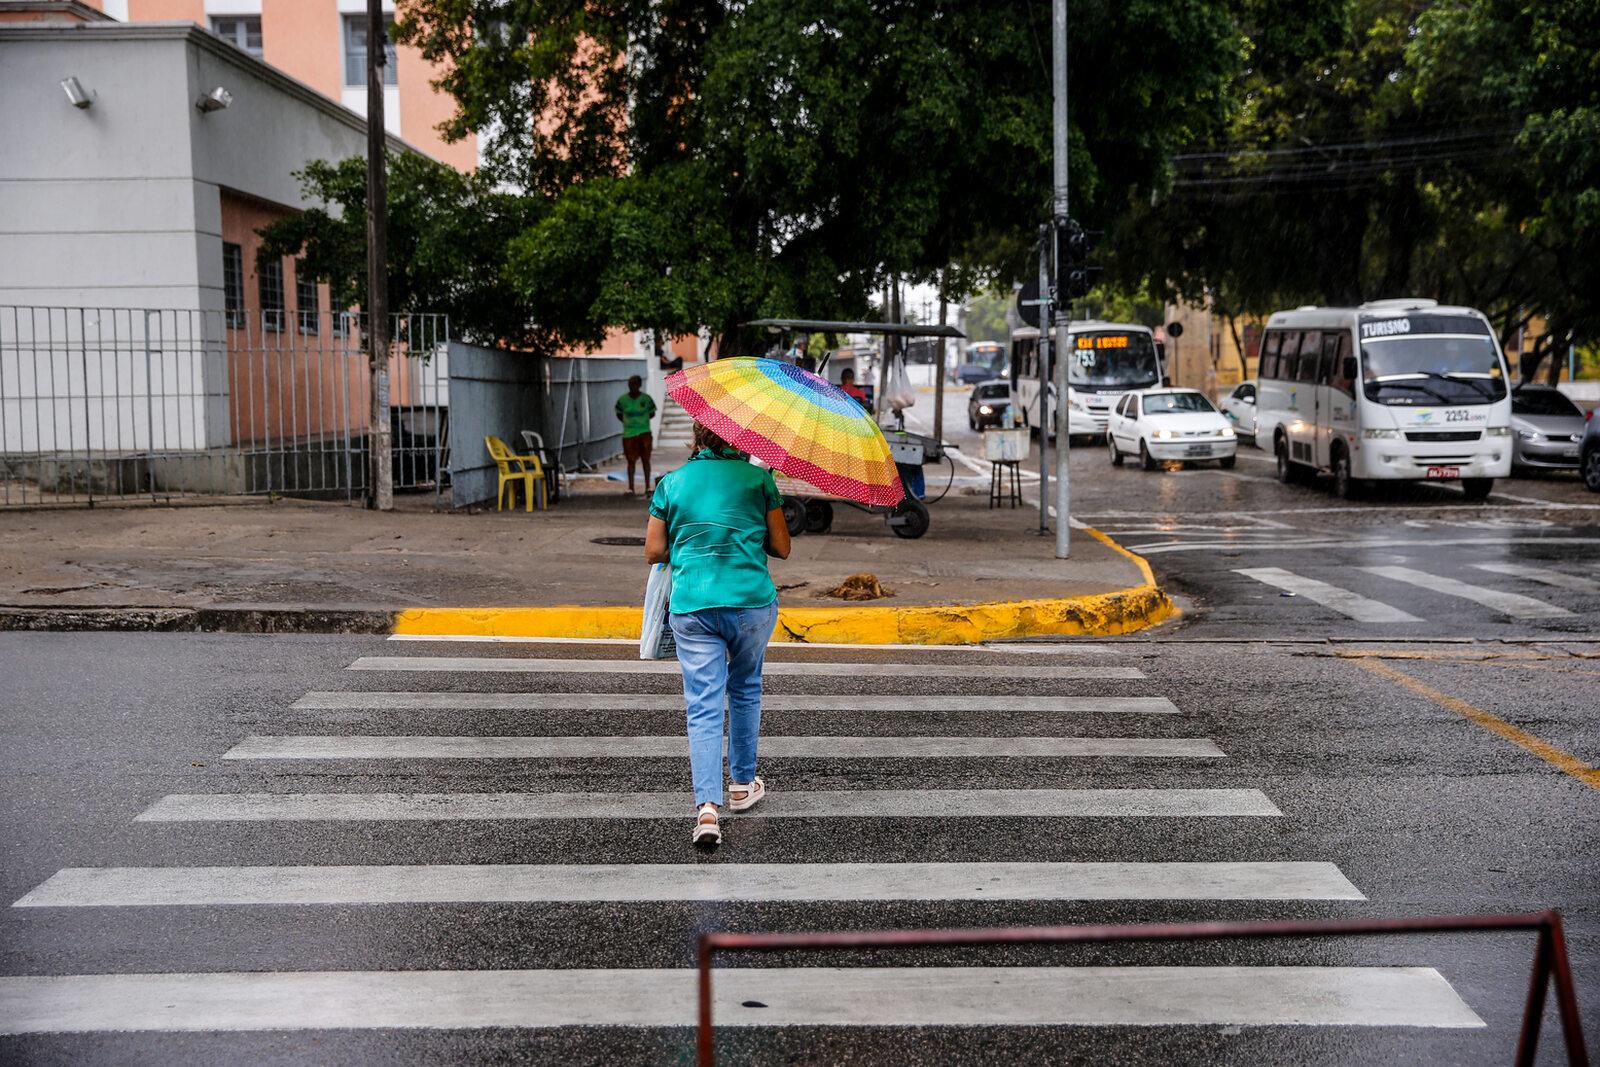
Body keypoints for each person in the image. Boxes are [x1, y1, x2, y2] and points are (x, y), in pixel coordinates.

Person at [644, 421, 791, 848]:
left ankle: (707, 809)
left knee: (703, 704)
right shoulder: (758, 479)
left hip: (694, 606)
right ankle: (743, 785)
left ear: (698, 436)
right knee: (745, 688)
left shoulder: (672, 482)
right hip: (750, 604)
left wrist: (694, 544)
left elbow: (653, 550)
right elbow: (782, 548)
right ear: (741, 438)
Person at [615, 375, 657, 494]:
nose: (631, 386)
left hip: (644, 432)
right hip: (629, 433)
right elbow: (619, 413)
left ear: (639, 385)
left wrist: (641, 422)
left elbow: (652, 413)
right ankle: (631, 487)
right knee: (630, 461)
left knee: (645, 459)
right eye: (630, 383)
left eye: (634, 384)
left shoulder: (646, 399)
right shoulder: (622, 400)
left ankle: (648, 487)